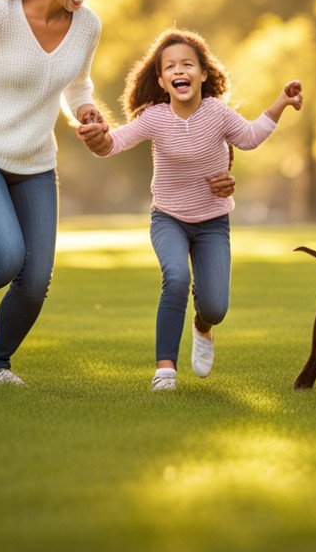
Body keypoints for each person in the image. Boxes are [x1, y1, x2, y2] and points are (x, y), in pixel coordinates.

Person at [0, 0, 235, 385]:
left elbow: (77, 84)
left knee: (36, 279)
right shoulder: (0, 16)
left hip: (36, 163)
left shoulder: (87, 25)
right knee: (4, 258)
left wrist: (87, 112)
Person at [76, 28, 302, 391]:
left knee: (215, 307)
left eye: (187, 64)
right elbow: (113, 144)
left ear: (203, 74)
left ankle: (203, 326)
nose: (179, 70)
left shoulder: (217, 113)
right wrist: (96, 135)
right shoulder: (154, 117)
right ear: (163, 81)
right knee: (176, 278)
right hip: (168, 219)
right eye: (170, 67)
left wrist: (281, 101)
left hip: (213, 223)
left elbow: (250, 138)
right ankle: (165, 369)